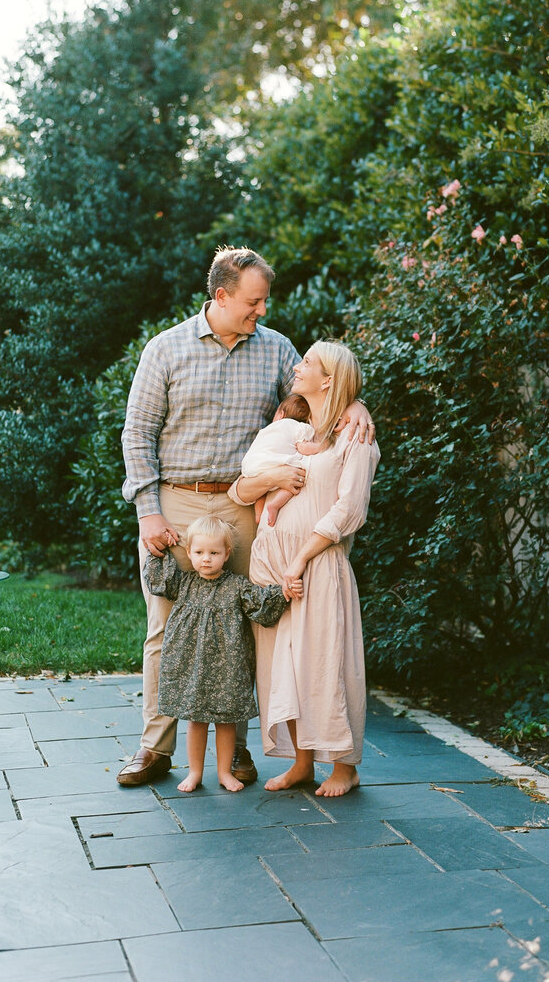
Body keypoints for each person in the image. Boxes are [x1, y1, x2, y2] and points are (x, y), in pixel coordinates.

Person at [118, 246, 375, 788]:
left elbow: (315, 396)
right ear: (222, 295)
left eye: (264, 301)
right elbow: (137, 434)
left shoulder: (277, 349)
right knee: (167, 626)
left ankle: (233, 751)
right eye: (254, 301)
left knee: (245, 627)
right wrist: (148, 512)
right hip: (177, 504)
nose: (262, 310)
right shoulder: (165, 349)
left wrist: (355, 404)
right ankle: (155, 747)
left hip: (245, 506)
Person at [229, 340, 380, 798]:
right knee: (282, 668)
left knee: (325, 665)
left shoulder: (355, 435)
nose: (298, 367)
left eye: (308, 362)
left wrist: (300, 559)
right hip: (272, 564)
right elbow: (240, 491)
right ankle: (301, 762)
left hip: (316, 563)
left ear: (329, 380)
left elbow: (349, 510)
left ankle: (344, 766)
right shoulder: (293, 433)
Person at [145, 515, 301, 792]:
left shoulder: (237, 585)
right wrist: (161, 551)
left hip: (228, 666)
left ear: (227, 554)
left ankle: (224, 772)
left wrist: (285, 591)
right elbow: (159, 581)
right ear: (189, 552)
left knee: (227, 721)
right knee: (196, 720)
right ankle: (194, 772)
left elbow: (260, 603)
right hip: (193, 665)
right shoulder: (184, 583)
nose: (206, 559)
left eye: (214, 553)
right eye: (199, 552)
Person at [241, 393, 326, 526]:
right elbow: (303, 448)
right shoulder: (299, 427)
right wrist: (322, 447)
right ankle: (275, 505)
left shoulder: (268, 429)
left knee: (262, 489)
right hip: (275, 463)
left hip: (251, 466)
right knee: (299, 474)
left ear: (280, 414)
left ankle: (258, 515)